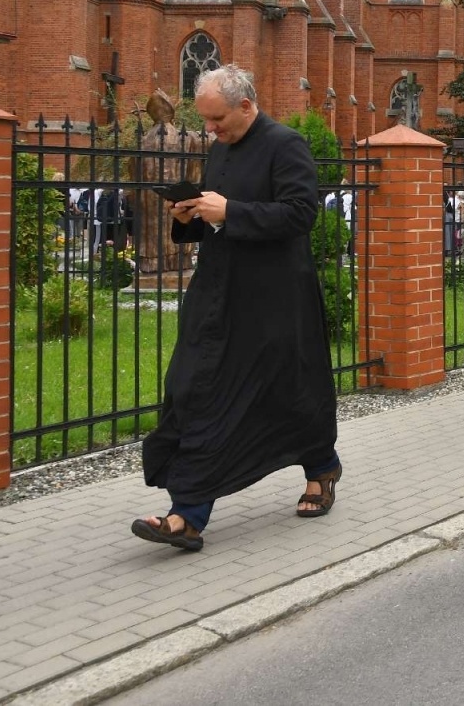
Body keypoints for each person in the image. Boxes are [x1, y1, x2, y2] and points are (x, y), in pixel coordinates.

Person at [131, 65, 340, 551]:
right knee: (193, 387)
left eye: (217, 119)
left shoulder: (286, 144)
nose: (210, 130)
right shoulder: (222, 146)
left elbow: (301, 213)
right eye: (205, 121)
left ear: (245, 105)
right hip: (217, 292)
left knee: (291, 390)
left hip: (273, 299)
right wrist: (192, 216)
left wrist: (230, 212)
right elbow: (219, 215)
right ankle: (188, 510)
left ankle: (321, 469)